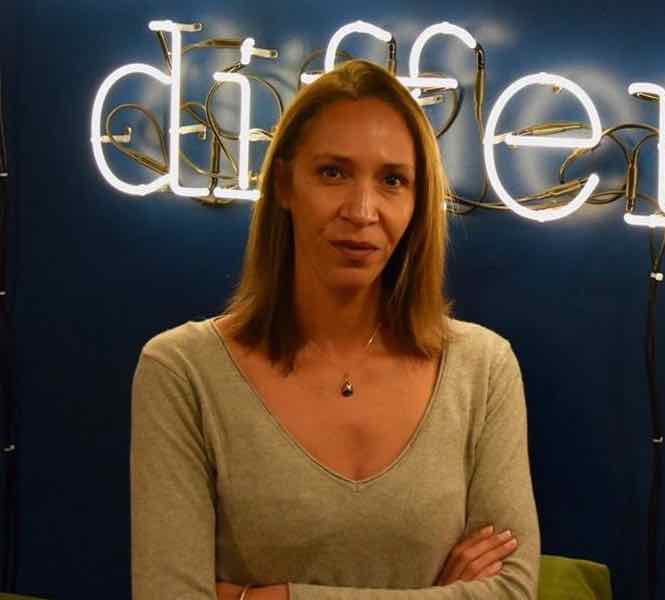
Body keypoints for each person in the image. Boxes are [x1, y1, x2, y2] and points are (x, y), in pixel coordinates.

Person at [130, 59, 540, 600]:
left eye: (393, 180)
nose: (362, 210)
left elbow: (511, 592)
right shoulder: (182, 371)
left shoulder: (483, 368)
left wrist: (268, 597)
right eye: (333, 173)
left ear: (417, 203)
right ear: (284, 184)